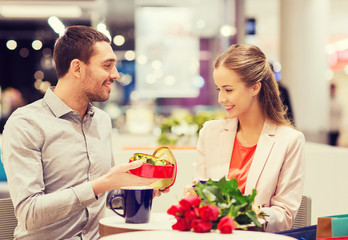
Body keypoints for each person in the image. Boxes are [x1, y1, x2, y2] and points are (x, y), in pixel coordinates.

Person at [1, 25, 164, 240]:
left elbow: (103, 197)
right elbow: (29, 213)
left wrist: (136, 191)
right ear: (77, 68)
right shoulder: (26, 124)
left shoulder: (102, 121)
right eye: (107, 66)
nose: (115, 75)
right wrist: (103, 184)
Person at [192, 44, 305, 232]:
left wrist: (243, 215)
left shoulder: (289, 141)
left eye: (228, 90)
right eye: (219, 89)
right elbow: (199, 194)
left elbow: (285, 215)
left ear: (255, 88)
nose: (220, 98)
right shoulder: (210, 133)